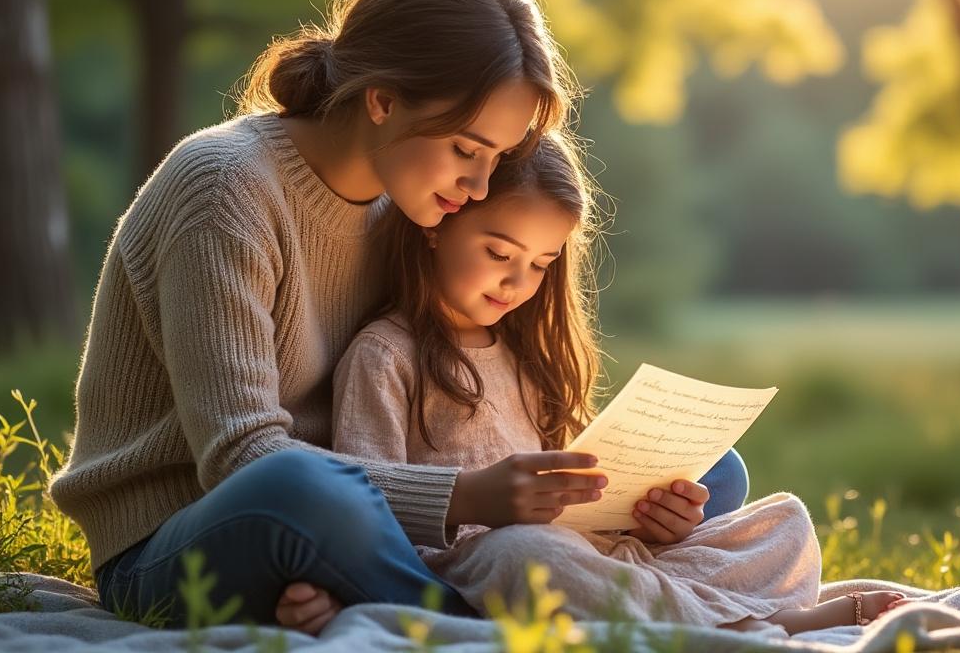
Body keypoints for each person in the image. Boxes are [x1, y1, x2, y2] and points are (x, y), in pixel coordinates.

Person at [47, 0, 750, 634]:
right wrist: (469, 495)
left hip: (372, 517)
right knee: (305, 493)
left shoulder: (411, 208)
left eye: (498, 159)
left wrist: (593, 490)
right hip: (183, 539)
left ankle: (502, 581)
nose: (479, 187)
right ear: (382, 100)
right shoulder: (225, 187)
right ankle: (506, 612)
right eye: (467, 150)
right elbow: (240, 459)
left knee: (713, 472)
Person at [332, 135, 906, 635]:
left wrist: (648, 518)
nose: (517, 281)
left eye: (540, 263)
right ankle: (762, 624)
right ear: (438, 227)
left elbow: (575, 497)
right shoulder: (385, 355)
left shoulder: (524, 352)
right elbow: (363, 508)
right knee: (529, 556)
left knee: (783, 523)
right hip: (482, 565)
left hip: (592, 553)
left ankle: (664, 604)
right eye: (499, 252)